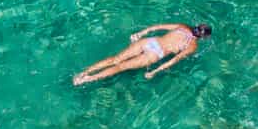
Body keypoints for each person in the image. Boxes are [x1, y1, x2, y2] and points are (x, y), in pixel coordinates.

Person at [71, 23, 211, 85]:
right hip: (156, 53)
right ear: (203, 37)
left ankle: (84, 72)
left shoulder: (182, 26)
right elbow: (174, 60)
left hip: (150, 42)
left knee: (115, 59)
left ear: (196, 26)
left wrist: (140, 33)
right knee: (121, 67)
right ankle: (86, 80)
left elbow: (158, 26)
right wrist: (154, 72)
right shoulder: (192, 46)